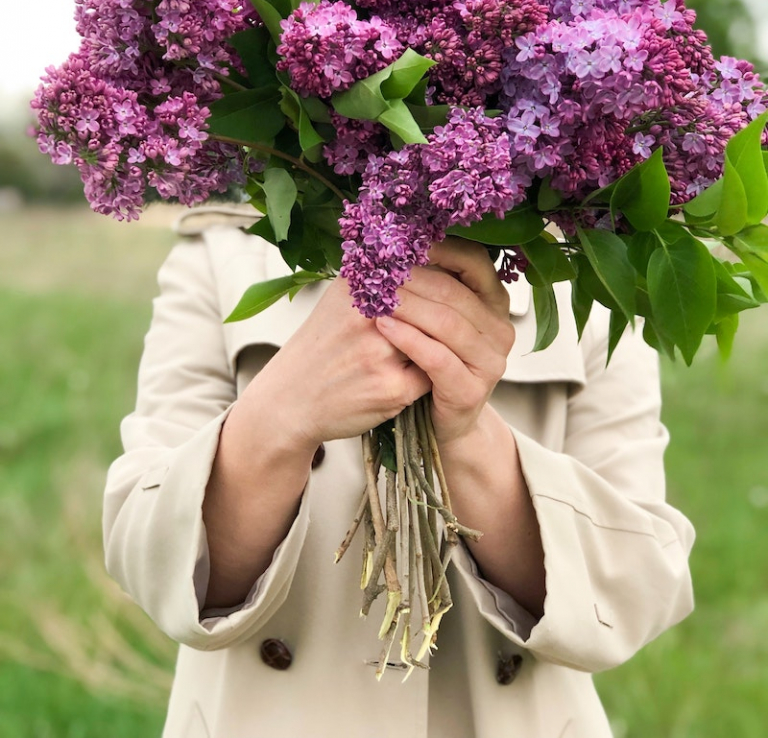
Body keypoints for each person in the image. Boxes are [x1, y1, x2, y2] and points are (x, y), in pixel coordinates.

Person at [103, 205, 695, 738]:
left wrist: (466, 435)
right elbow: (153, 560)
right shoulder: (224, 250)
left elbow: (634, 591)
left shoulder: (584, 261)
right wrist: (284, 409)